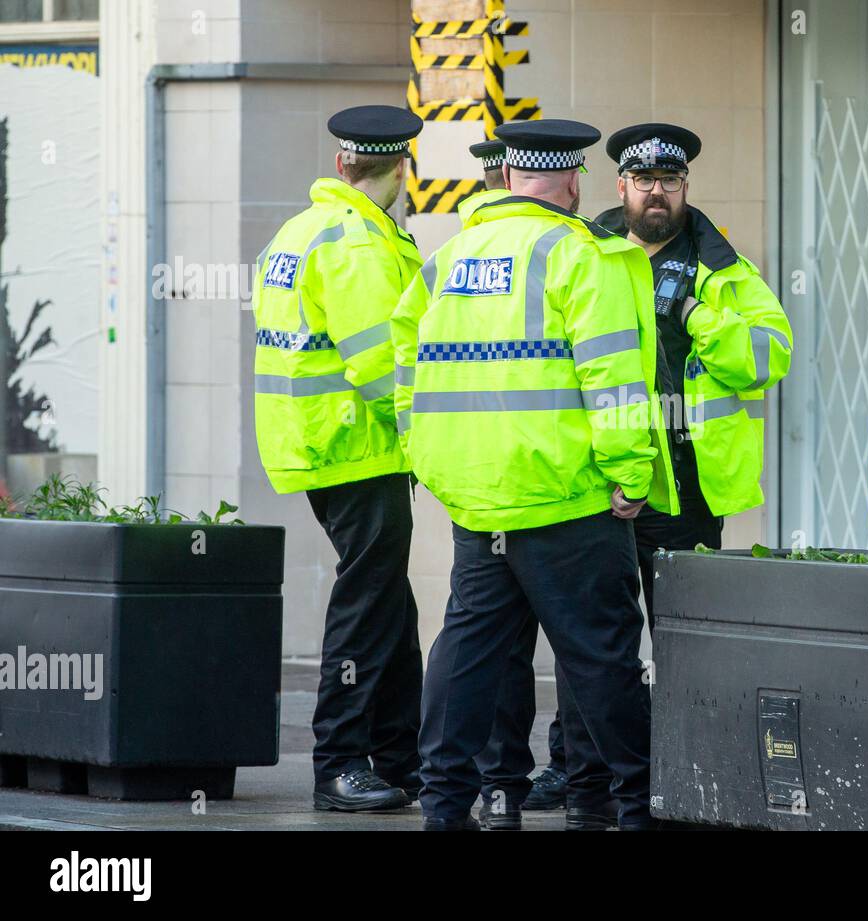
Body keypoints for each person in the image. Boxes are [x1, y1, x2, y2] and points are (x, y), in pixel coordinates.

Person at [391, 119, 678, 831]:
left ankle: (447, 807)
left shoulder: (447, 259)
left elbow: (402, 370)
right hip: (567, 500)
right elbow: (613, 380)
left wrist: (425, 455)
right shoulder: (582, 257)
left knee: (467, 655)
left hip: (478, 502)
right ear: (575, 181)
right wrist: (631, 474)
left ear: (512, 176)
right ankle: (640, 807)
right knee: (603, 659)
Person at [251, 105, 425, 811]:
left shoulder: (300, 231)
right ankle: (339, 762)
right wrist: (433, 438)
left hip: (321, 446)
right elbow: (383, 364)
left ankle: (399, 754)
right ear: (398, 171)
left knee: (388, 601)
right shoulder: (357, 243)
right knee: (367, 602)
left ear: (343, 164)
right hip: (361, 449)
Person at [595, 123, 792, 625]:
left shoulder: (723, 271)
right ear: (621, 187)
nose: (657, 191)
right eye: (643, 178)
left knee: (687, 633)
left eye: (671, 179)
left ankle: (682, 709)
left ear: (686, 186)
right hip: (600, 483)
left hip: (686, 491)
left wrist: (696, 314)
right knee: (598, 636)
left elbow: (768, 359)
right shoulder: (587, 258)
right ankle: (604, 711)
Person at [463, 136, 572, 825]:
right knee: (580, 644)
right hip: (554, 486)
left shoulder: (454, 257)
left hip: (485, 486)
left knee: (491, 646)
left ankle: (493, 787)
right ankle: (578, 786)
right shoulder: (566, 250)